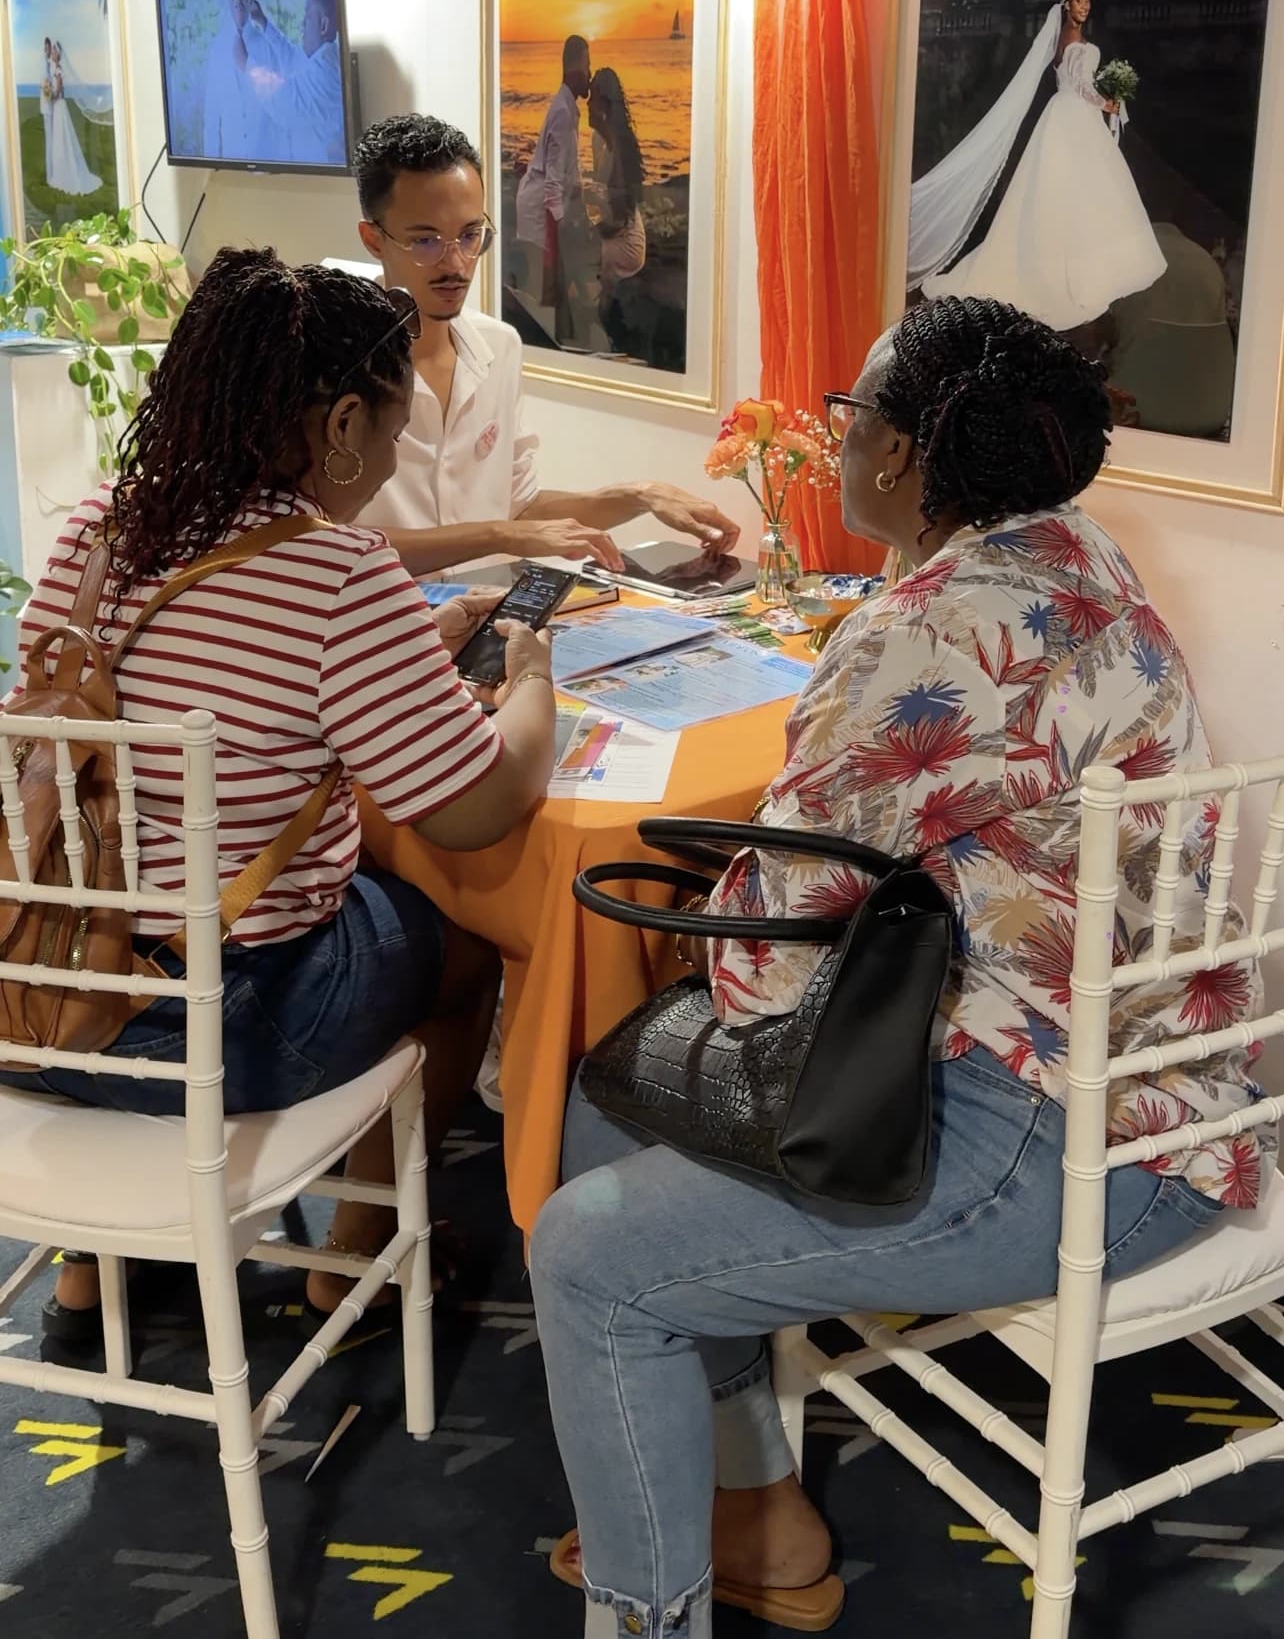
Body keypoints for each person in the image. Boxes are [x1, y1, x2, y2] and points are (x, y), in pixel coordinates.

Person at [529, 296, 1271, 1639]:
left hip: (1065, 1147)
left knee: (586, 1252)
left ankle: (650, 1614)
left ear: (909, 457)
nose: (835, 433)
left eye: (850, 414)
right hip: (1178, 1093)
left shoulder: (919, 634)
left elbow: (762, 975)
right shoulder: (1077, 554)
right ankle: (759, 1506)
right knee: (605, 1100)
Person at [9, 250, 557, 1339]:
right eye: (392, 433)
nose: (390, 456)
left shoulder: (96, 529)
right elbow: (481, 805)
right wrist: (531, 674)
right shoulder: (344, 575)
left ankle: (96, 1262)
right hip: (218, 1034)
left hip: (42, 991)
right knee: (466, 946)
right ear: (345, 423)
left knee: (149, 885)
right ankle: (350, 1256)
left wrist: (414, 651)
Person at [353, 112, 738, 574]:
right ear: (374, 239)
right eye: (426, 241)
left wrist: (640, 496)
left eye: (471, 235)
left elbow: (522, 510)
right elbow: (316, 543)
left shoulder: (499, 347)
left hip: (484, 623)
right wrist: (498, 535)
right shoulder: (325, 364)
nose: (456, 263)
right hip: (376, 633)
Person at [910, 0, 1166, 330]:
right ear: (1067, 5)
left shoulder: (1068, 40)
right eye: (1078, 0)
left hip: (1067, 115)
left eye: (1088, 1)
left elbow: (1079, 83)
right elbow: (1080, 85)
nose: (1084, 6)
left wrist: (1104, 96)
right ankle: (1069, 270)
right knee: (1076, 188)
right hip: (1073, 114)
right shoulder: (1074, 42)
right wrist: (1107, 101)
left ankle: (1073, 260)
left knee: (1072, 190)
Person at [515, 34, 591, 319]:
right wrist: (558, 234)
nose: (590, 75)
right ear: (574, 71)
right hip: (538, 210)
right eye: (587, 66)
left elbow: (561, 165)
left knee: (549, 283)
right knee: (542, 285)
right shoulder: (562, 112)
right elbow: (553, 185)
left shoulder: (569, 108)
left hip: (540, 201)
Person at [242, 0, 346, 167]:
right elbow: (291, 57)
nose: (301, 26)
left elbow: (282, 100)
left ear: (323, 25)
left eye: (307, 17)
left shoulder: (325, 73)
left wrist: (245, 64)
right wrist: (263, 21)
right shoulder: (323, 58)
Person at [586, 66, 652, 360]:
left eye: (593, 97)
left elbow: (619, 210)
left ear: (604, 102)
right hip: (617, 224)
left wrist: (592, 227)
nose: (586, 102)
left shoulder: (615, 140)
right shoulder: (600, 138)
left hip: (625, 237)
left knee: (580, 259)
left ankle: (605, 345)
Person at [201, 0, 283, 163]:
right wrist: (212, 169)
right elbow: (211, 121)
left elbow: (279, 111)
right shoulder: (217, 50)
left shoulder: (267, 46)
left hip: (269, 172)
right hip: (231, 175)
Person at [45, 40, 102, 197]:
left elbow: (59, 90)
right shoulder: (52, 68)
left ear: (59, 54)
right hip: (57, 106)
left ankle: (65, 174)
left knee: (62, 138)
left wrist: (50, 96)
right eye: (53, 51)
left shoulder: (58, 69)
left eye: (55, 51)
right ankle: (60, 172)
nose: (53, 53)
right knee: (58, 139)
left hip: (59, 105)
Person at [38, 36, 54, 177]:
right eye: (46, 47)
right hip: (46, 105)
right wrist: (47, 91)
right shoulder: (43, 62)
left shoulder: (49, 62)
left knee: (53, 139)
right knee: (49, 139)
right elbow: (42, 83)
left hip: (51, 104)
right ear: (45, 48)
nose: (48, 50)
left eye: (49, 47)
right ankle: (50, 174)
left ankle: (54, 171)